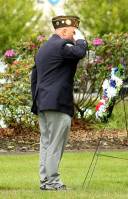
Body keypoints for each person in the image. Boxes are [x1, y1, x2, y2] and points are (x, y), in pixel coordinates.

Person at [30, 15, 87, 190]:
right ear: (63, 31)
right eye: (73, 31)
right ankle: (53, 182)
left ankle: (45, 181)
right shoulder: (62, 45)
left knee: (46, 144)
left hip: (43, 103)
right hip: (57, 103)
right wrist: (82, 41)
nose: (74, 35)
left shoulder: (44, 49)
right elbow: (80, 53)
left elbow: (34, 78)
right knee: (55, 144)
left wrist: (38, 101)